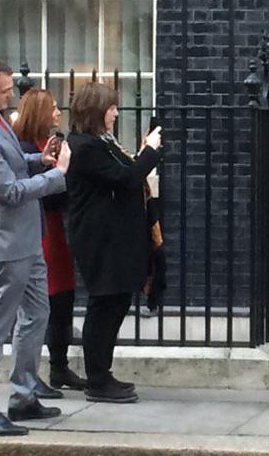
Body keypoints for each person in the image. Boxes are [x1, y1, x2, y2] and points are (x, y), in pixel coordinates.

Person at [0, 56, 71, 436]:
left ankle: (23, 394)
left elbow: (12, 160)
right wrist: (57, 175)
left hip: (27, 238)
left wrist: (39, 158)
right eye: (5, 91)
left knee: (37, 315)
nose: (11, 97)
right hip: (6, 242)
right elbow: (8, 192)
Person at [66, 82, 162, 403]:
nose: (116, 113)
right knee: (104, 304)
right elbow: (127, 178)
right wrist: (150, 151)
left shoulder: (101, 143)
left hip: (116, 237)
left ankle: (103, 373)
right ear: (96, 111)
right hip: (99, 238)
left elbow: (126, 172)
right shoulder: (85, 147)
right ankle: (97, 379)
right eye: (111, 108)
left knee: (117, 302)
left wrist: (142, 155)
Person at [13, 89, 85, 393]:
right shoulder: (26, 147)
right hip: (39, 230)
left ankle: (59, 367)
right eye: (54, 108)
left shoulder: (49, 143)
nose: (58, 113)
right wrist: (58, 169)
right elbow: (37, 192)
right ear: (40, 112)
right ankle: (30, 376)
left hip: (56, 230)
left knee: (64, 298)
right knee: (43, 304)